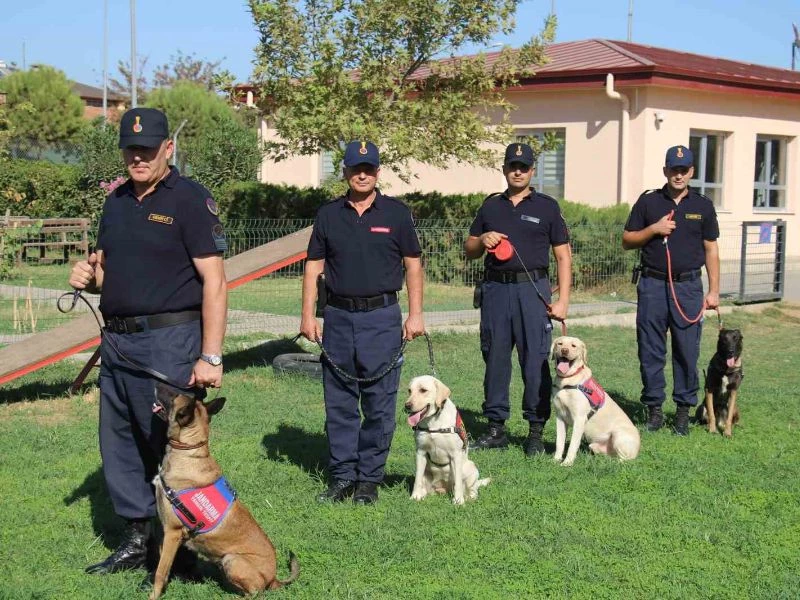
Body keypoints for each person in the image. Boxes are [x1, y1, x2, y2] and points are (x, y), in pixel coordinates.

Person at [69, 107, 228, 574]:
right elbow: (109, 275)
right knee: (119, 443)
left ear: (168, 149)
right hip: (117, 342)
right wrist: (89, 277)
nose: (138, 158)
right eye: (130, 150)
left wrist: (210, 355)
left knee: (170, 442)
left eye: (147, 149)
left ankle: (188, 546)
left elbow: (215, 282)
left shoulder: (190, 200)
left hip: (169, 340)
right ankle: (139, 541)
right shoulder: (115, 202)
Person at [300, 140, 425, 505]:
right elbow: (313, 267)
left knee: (379, 403)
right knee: (339, 402)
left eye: (369, 168)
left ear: (378, 172)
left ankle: (369, 480)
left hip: (382, 318)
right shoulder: (327, 215)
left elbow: (413, 265)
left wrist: (415, 315)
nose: (362, 174)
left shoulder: (397, 214)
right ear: (345, 172)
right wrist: (308, 315)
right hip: (337, 317)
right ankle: (342, 476)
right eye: (356, 168)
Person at [464, 142, 571, 456]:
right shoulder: (491, 207)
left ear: (532, 171)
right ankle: (496, 427)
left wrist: (563, 300)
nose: (518, 171)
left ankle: (535, 430)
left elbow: (563, 257)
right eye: (513, 165)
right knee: (495, 358)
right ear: (504, 169)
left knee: (535, 360)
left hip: (532, 291)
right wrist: (482, 240)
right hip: (496, 290)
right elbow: (470, 250)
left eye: (524, 167)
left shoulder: (547, 207)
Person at [622, 144, 720, 436]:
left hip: (688, 286)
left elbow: (711, 249)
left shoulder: (702, 205)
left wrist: (713, 291)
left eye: (684, 170)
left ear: (691, 172)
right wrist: (653, 229)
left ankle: (682, 411)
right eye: (673, 169)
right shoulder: (648, 202)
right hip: (652, 284)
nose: (679, 175)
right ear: (665, 170)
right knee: (650, 348)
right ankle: (653, 409)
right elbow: (627, 240)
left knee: (687, 350)